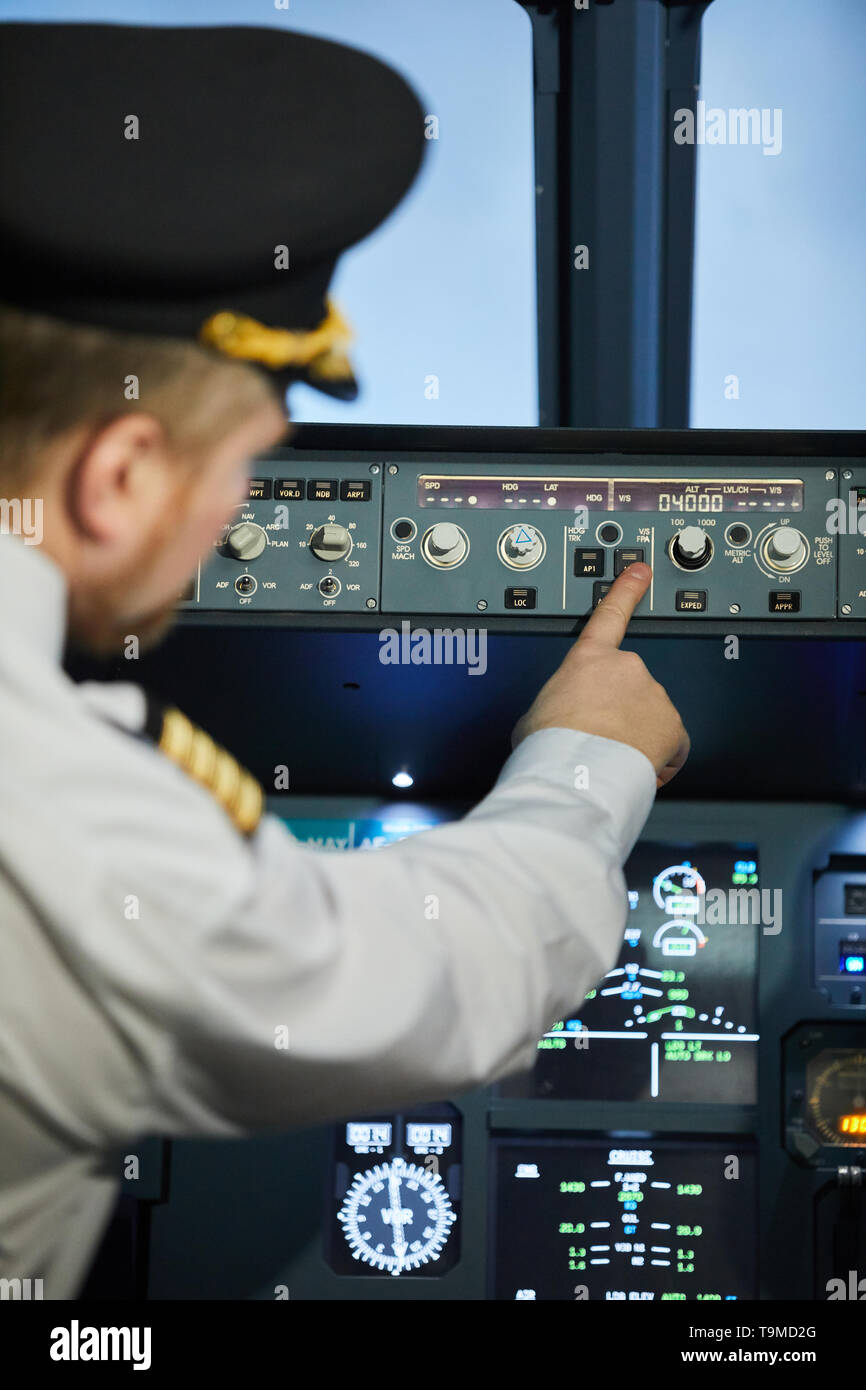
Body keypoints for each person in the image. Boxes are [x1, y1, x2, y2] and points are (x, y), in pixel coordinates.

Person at [0, 21, 689, 1298]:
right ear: (118, 475)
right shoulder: (57, 820)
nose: (229, 527)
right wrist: (586, 763)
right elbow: (420, 984)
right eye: (243, 466)